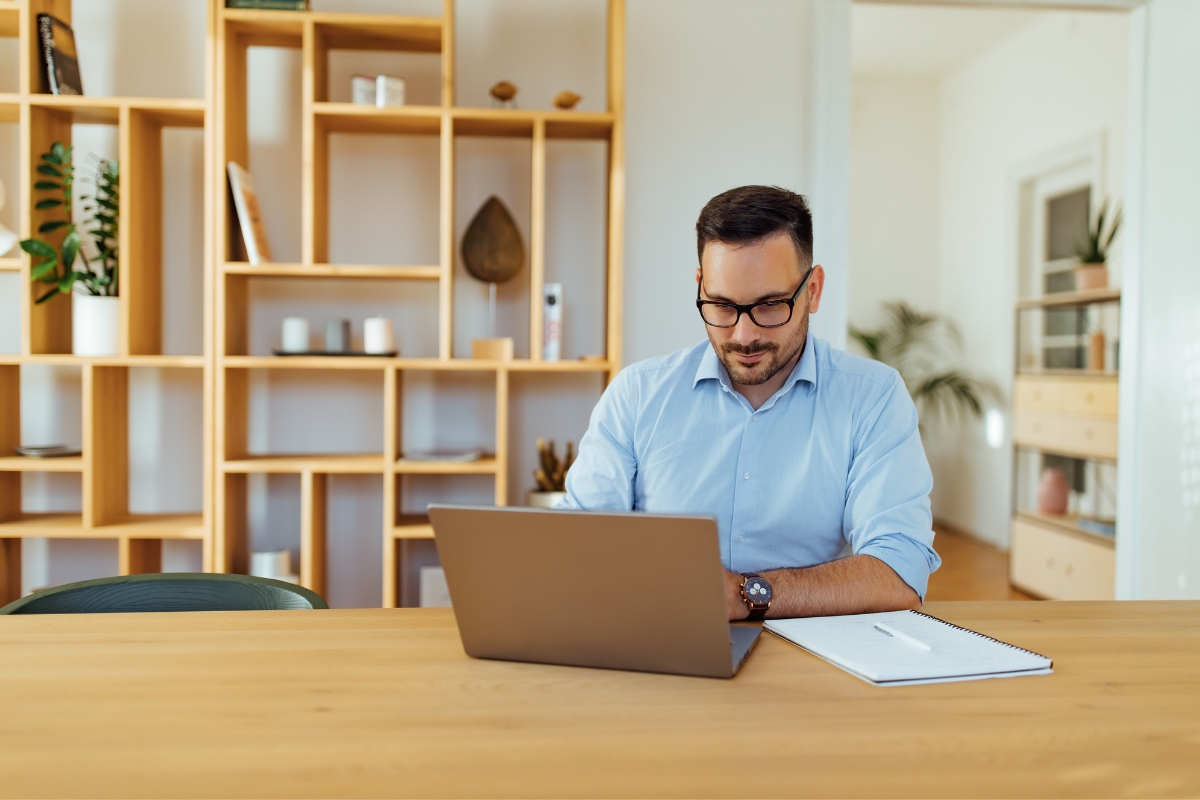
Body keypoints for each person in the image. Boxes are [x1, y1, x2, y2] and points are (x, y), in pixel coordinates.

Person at [560, 185, 940, 621]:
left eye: (770, 305)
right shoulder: (636, 395)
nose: (743, 336)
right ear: (700, 286)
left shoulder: (873, 397)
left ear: (812, 291)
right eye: (721, 306)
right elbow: (578, 544)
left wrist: (746, 595)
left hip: (809, 656)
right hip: (662, 644)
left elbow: (900, 572)